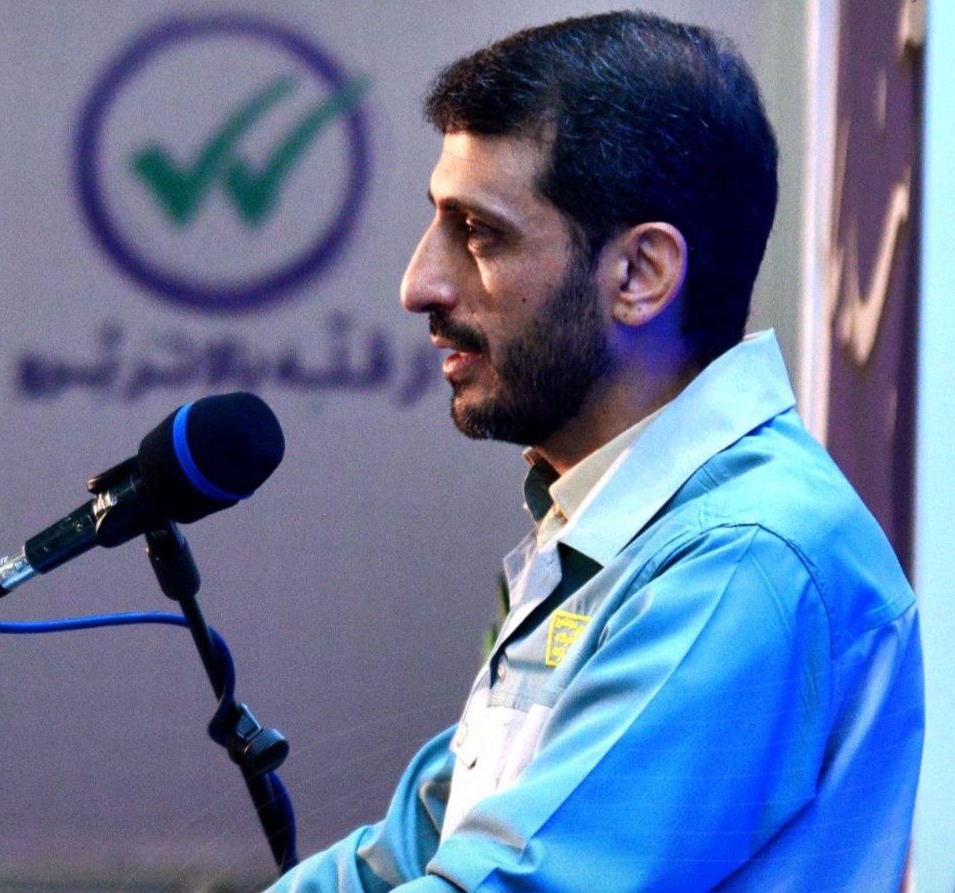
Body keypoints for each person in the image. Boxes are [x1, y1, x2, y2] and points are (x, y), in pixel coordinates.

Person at [266, 10, 924, 893]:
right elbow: (406, 858)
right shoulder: (612, 527)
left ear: (642, 274)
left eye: (479, 232)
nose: (420, 283)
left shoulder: (740, 558)